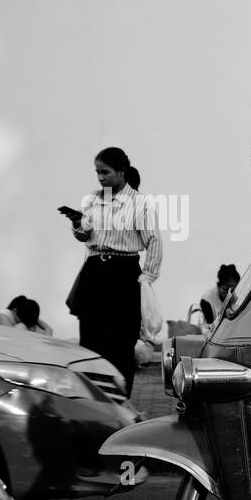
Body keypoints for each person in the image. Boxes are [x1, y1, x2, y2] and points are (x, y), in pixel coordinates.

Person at [62, 148, 162, 397]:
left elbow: (154, 242)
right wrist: (77, 223)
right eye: (97, 172)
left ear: (121, 171)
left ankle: (120, 402)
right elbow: (86, 236)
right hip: (95, 272)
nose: (100, 177)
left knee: (120, 344)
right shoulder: (93, 200)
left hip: (124, 273)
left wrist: (145, 278)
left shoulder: (140, 203)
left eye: (105, 172)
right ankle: (93, 401)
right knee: (90, 343)